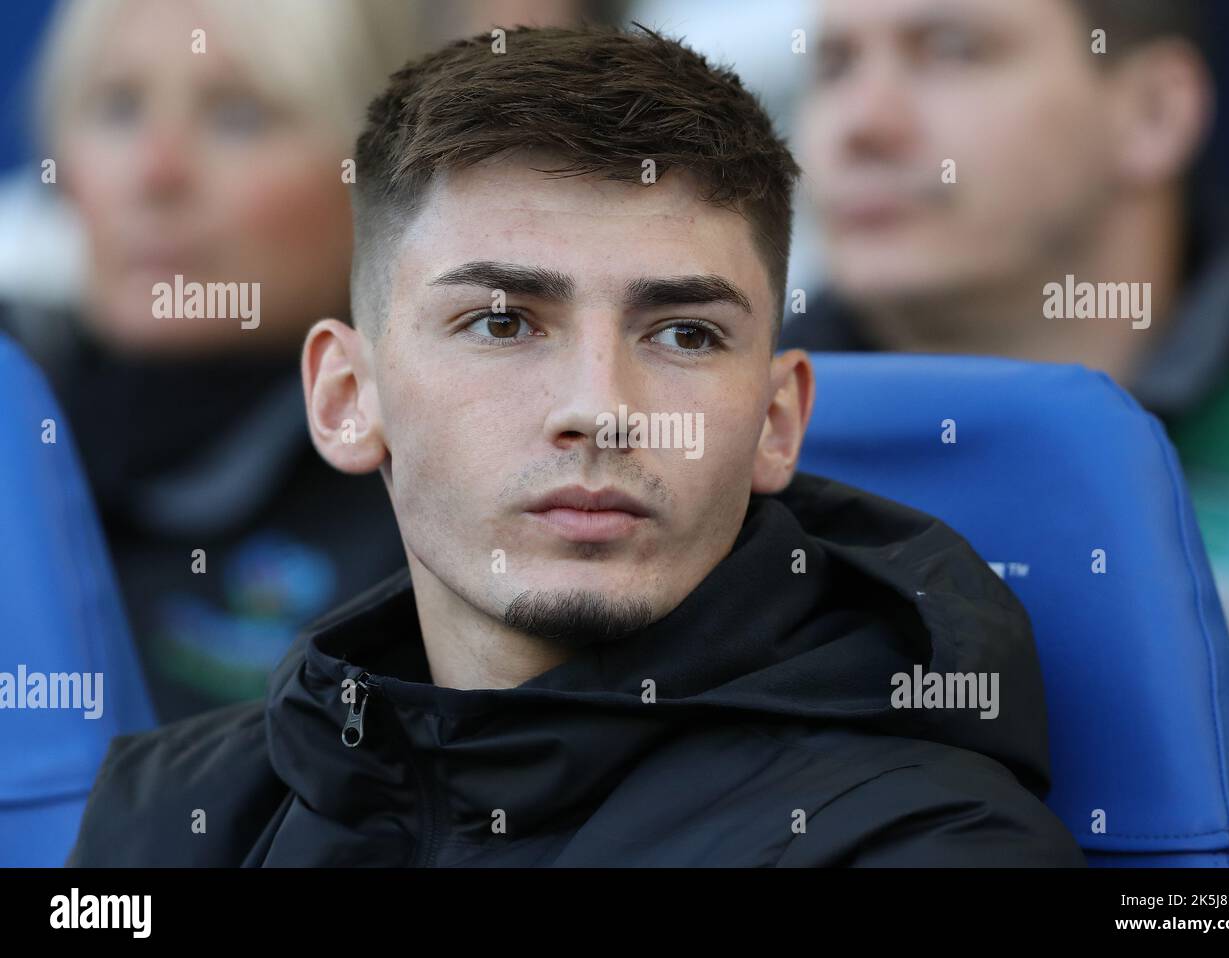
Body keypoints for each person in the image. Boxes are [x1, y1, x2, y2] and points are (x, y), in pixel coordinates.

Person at [68, 24, 1083, 867]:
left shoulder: (923, 844)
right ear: (346, 396)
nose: (600, 408)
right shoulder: (168, 817)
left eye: (683, 334)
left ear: (778, 421)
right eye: (503, 323)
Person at [781, 0, 1229, 862]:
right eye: (833, 65)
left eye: (951, 50)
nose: (862, 124)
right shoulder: (704, 451)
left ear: (1154, 112)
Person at [2, 0, 430, 722]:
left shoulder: (438, 505)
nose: (156, 172)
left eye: (238, 117)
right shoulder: (20, 419)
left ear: (377, 178)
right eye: (117, 107)